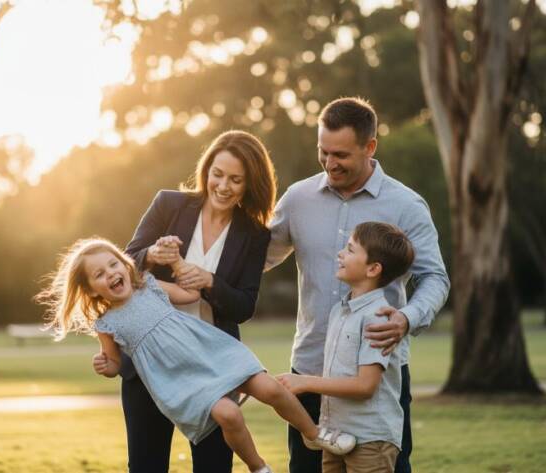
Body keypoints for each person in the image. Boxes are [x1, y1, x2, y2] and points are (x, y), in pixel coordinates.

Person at [38, 238, 357, 473]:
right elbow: (115, 364)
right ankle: (258, 467)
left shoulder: (148, 285)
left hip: (209, 352)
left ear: (125, 264)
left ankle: (314, 434)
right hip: (181, 379)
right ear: (92, 290)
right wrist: (104, 365)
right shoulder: (106, 322)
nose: (109, 274)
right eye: (98, 274)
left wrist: (178, 264)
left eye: (113, 264)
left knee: (271, 388)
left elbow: (190, 294)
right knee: (229, 415)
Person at [266, 97, 450, 473]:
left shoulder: (407, 205)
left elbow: (434, 277)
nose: (330, 163)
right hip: (310, 370)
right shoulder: (298, 199)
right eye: (323, 152)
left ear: (370, 147)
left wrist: (406, 318)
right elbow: (256, 258)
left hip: (378, 379)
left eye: (341, 155)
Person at [119, 130, 278, 472]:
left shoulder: (255, 234)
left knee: (214, 467)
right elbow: (125, 264)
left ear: (250, 184)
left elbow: (244, 306)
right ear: (206, 170)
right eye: (217, 174)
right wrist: (151, 255)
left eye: (236, 180)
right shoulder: (169, 204)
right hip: (150, 362)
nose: (223, 186)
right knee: (146, 466)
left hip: (212, 367)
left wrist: (210, 282)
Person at [277, 222, 415, 473]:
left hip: (370, 440)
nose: (341, 254)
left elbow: (365, 386)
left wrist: (305, 382)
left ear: (373, 268)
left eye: (350, 250)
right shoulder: (340, 311)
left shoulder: (378, 318)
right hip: (336, 435)